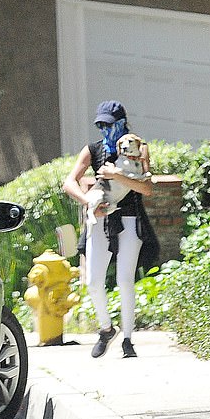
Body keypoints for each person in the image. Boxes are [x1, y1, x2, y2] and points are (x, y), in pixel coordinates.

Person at [62, 100, 156, 359]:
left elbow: (146, 187)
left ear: (122, 123)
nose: (105, 130)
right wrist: (88, 202)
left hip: (129, 218)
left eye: (110, 124)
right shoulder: (93, 149)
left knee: (125, 279)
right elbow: (69, 182)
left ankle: (128, 340)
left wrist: (116, 176)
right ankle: (106, 329)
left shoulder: (138, 148)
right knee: (93, 281)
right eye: (101, 125)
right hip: (100, 218)